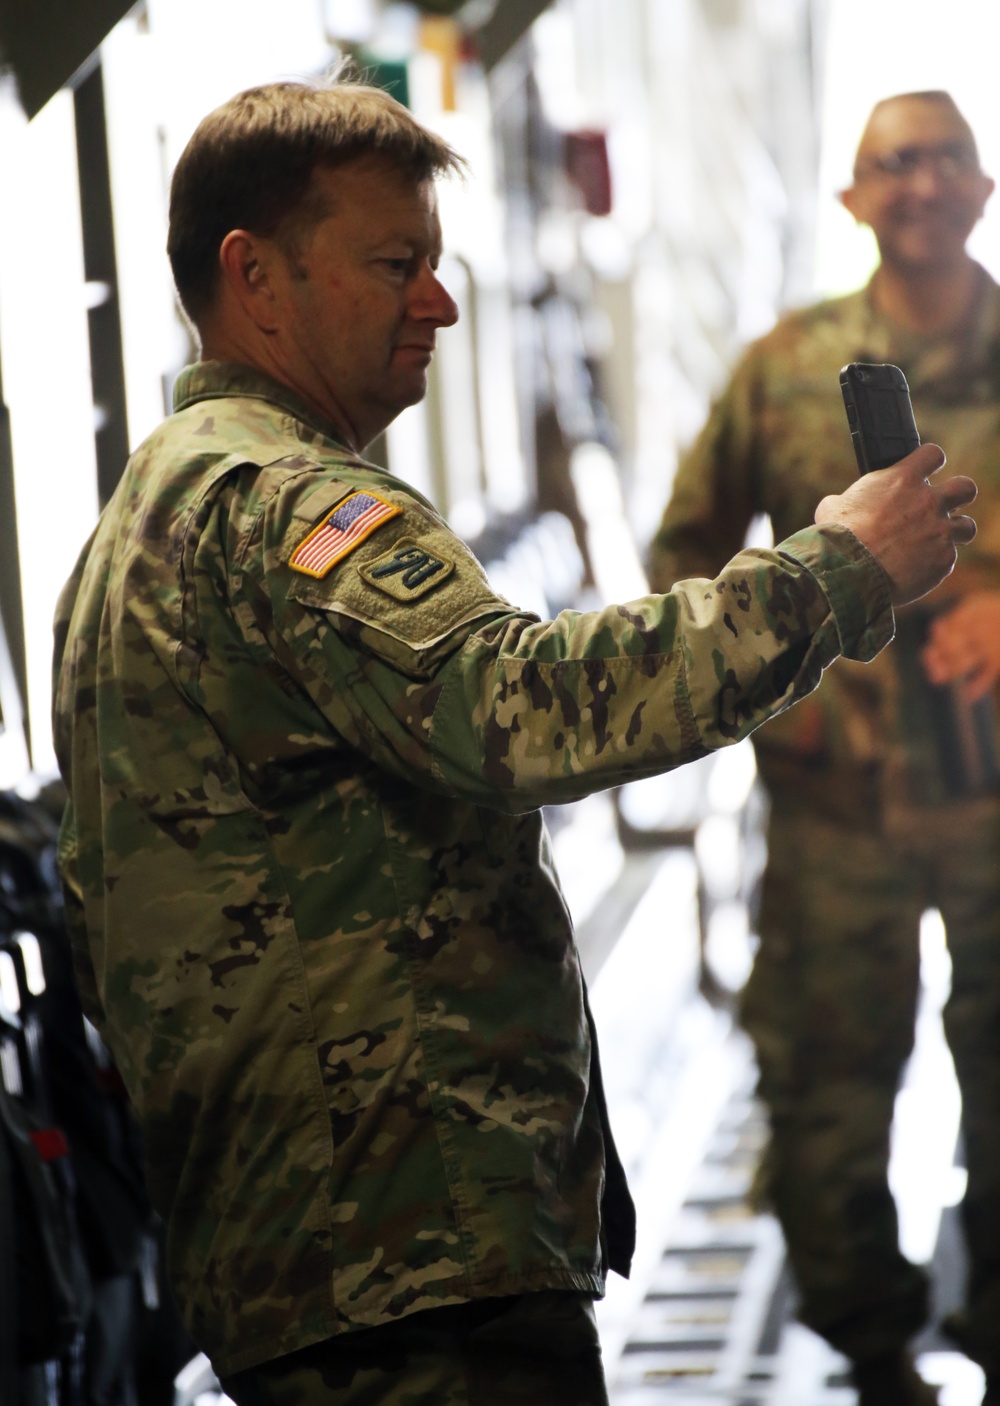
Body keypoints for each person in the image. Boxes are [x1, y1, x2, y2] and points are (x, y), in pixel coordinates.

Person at [51, 79, 974, 1406]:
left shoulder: (149, 515)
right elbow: (523, 705)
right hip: (406, 1259)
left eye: (438, 263)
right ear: (254, 277)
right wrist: (834, 570)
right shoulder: (282, 507)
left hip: (316, 1252)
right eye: (395, 263)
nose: (439, 301)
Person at [649, 91, 1000, 1406]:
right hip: (833, 808)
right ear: (852, 199)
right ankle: (870, 1348)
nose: (915, 183)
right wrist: (782, 693)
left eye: (941, 159)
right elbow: (685, 554)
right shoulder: (787, 365)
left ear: (981, 188)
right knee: (829, 1079)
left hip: (998, 805)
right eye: (885, 164)